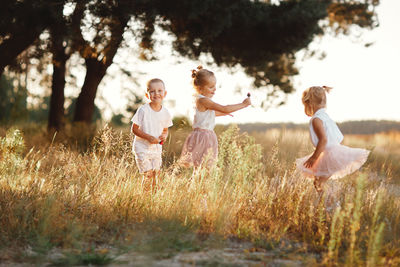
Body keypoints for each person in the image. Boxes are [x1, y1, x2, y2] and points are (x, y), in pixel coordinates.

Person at [296, 86, 370, 193]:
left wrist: (314, 157)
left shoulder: (316, 119)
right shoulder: (325, 117)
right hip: (333, 152)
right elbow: (336, 137)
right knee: (318, 182)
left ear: (309, 103)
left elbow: (323, 140)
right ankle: (327, 203)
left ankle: (329, 205)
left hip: (329, 154)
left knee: (319, 183)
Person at [180, 66, 251, 168]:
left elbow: (210, 114)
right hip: (203, 136)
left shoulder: (202, 100)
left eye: (215, 86)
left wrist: (224, 113)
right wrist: (243, 104)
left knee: (204, 167)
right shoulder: (203, 100)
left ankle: (199, 183)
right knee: (203, 166)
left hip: (206, 135)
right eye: (211, 87)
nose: (214, 89)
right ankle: (197, 182)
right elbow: (224, 108)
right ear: (200, 88)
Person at [131, 78, 173, 190]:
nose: (156, 94)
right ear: (147, 94)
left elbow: (165, 129)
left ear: (165, 93)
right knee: (148, 175)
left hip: (156, 149)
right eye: (152, 91)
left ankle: (152, 198)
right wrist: (148, 137)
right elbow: (134, 129)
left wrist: (164, 135)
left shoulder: (166, 113)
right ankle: (143, 198)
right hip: (142, 147)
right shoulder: (143, 110)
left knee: (156, 175)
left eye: (160, 90)